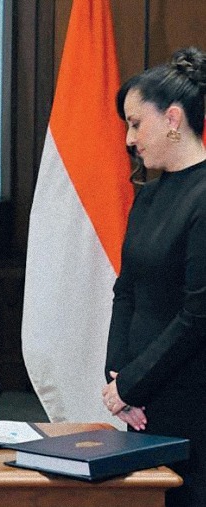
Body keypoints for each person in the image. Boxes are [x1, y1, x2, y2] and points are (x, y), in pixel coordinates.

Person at [104, 47, 206, 507]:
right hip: (141, 404)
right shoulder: (147, 194)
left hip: (189, 400)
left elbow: (196, 315)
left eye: (135, 123)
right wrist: (117, 380)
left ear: (173, 118)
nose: (129, 139)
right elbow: (125, 291)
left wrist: (131, 385)